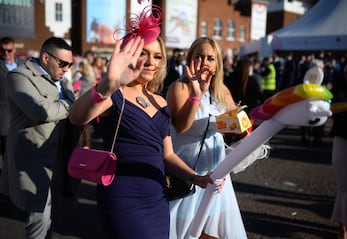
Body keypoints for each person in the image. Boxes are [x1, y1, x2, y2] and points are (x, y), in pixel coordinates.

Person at [68, 6, 216, 239]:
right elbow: (77, 117)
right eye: (143, 53)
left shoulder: (159, 101)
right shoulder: (115, 93)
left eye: (157, 56)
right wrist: (108, 83)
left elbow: (167, 156)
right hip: (122, 197)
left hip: (156, 196)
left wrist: (195, 177)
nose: (150, 62)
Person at [167, 36, 248, 239]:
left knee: (214, 234)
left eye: (210, 58)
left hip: (216, 177)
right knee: (187, 232)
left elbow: (238, 129)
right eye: (199, 57)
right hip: (187, 175)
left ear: (217, 63)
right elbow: (180, 127)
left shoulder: (222, 91)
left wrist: (238, 119)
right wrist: (197, 94)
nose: (204, 62)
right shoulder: (179, 88)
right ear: (190, 59)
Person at [0, 37, 75, 239]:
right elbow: (40, 112)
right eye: (63, 63)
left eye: (70, 64)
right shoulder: (18, 76)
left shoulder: (62, 80)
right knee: (38, 220)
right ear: (45, 57)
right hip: (32, 158)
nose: (67, 69)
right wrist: (70, 104)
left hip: (59, 158)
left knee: (52, 216)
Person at [0, 36, 25, 158]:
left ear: (14, 49)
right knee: (6, 150)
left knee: (23, 149)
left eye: (9, 50)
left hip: (23, 112)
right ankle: (7, 176)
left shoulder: (23, 64)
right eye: (3, 50)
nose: (6, 53)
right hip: (3, 113)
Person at [330, 62, 347, 239]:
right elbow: (333, 111)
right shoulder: (338, 94)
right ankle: (342, 227)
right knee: (344, 188)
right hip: (342, 142)